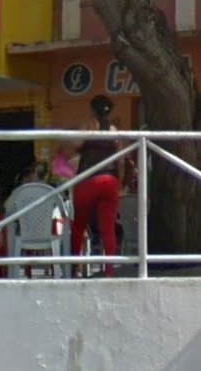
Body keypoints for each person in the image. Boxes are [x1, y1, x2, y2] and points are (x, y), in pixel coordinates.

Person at [70, 95, 124, 277]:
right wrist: (119, 183)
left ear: (92, 109)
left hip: (88, 179)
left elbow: (74, 148)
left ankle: (74, 266)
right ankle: (108, 271)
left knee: (79, 225)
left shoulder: (88, 125)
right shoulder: (114, 130)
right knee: (108, 228)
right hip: (109, 180)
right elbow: (121, 161)